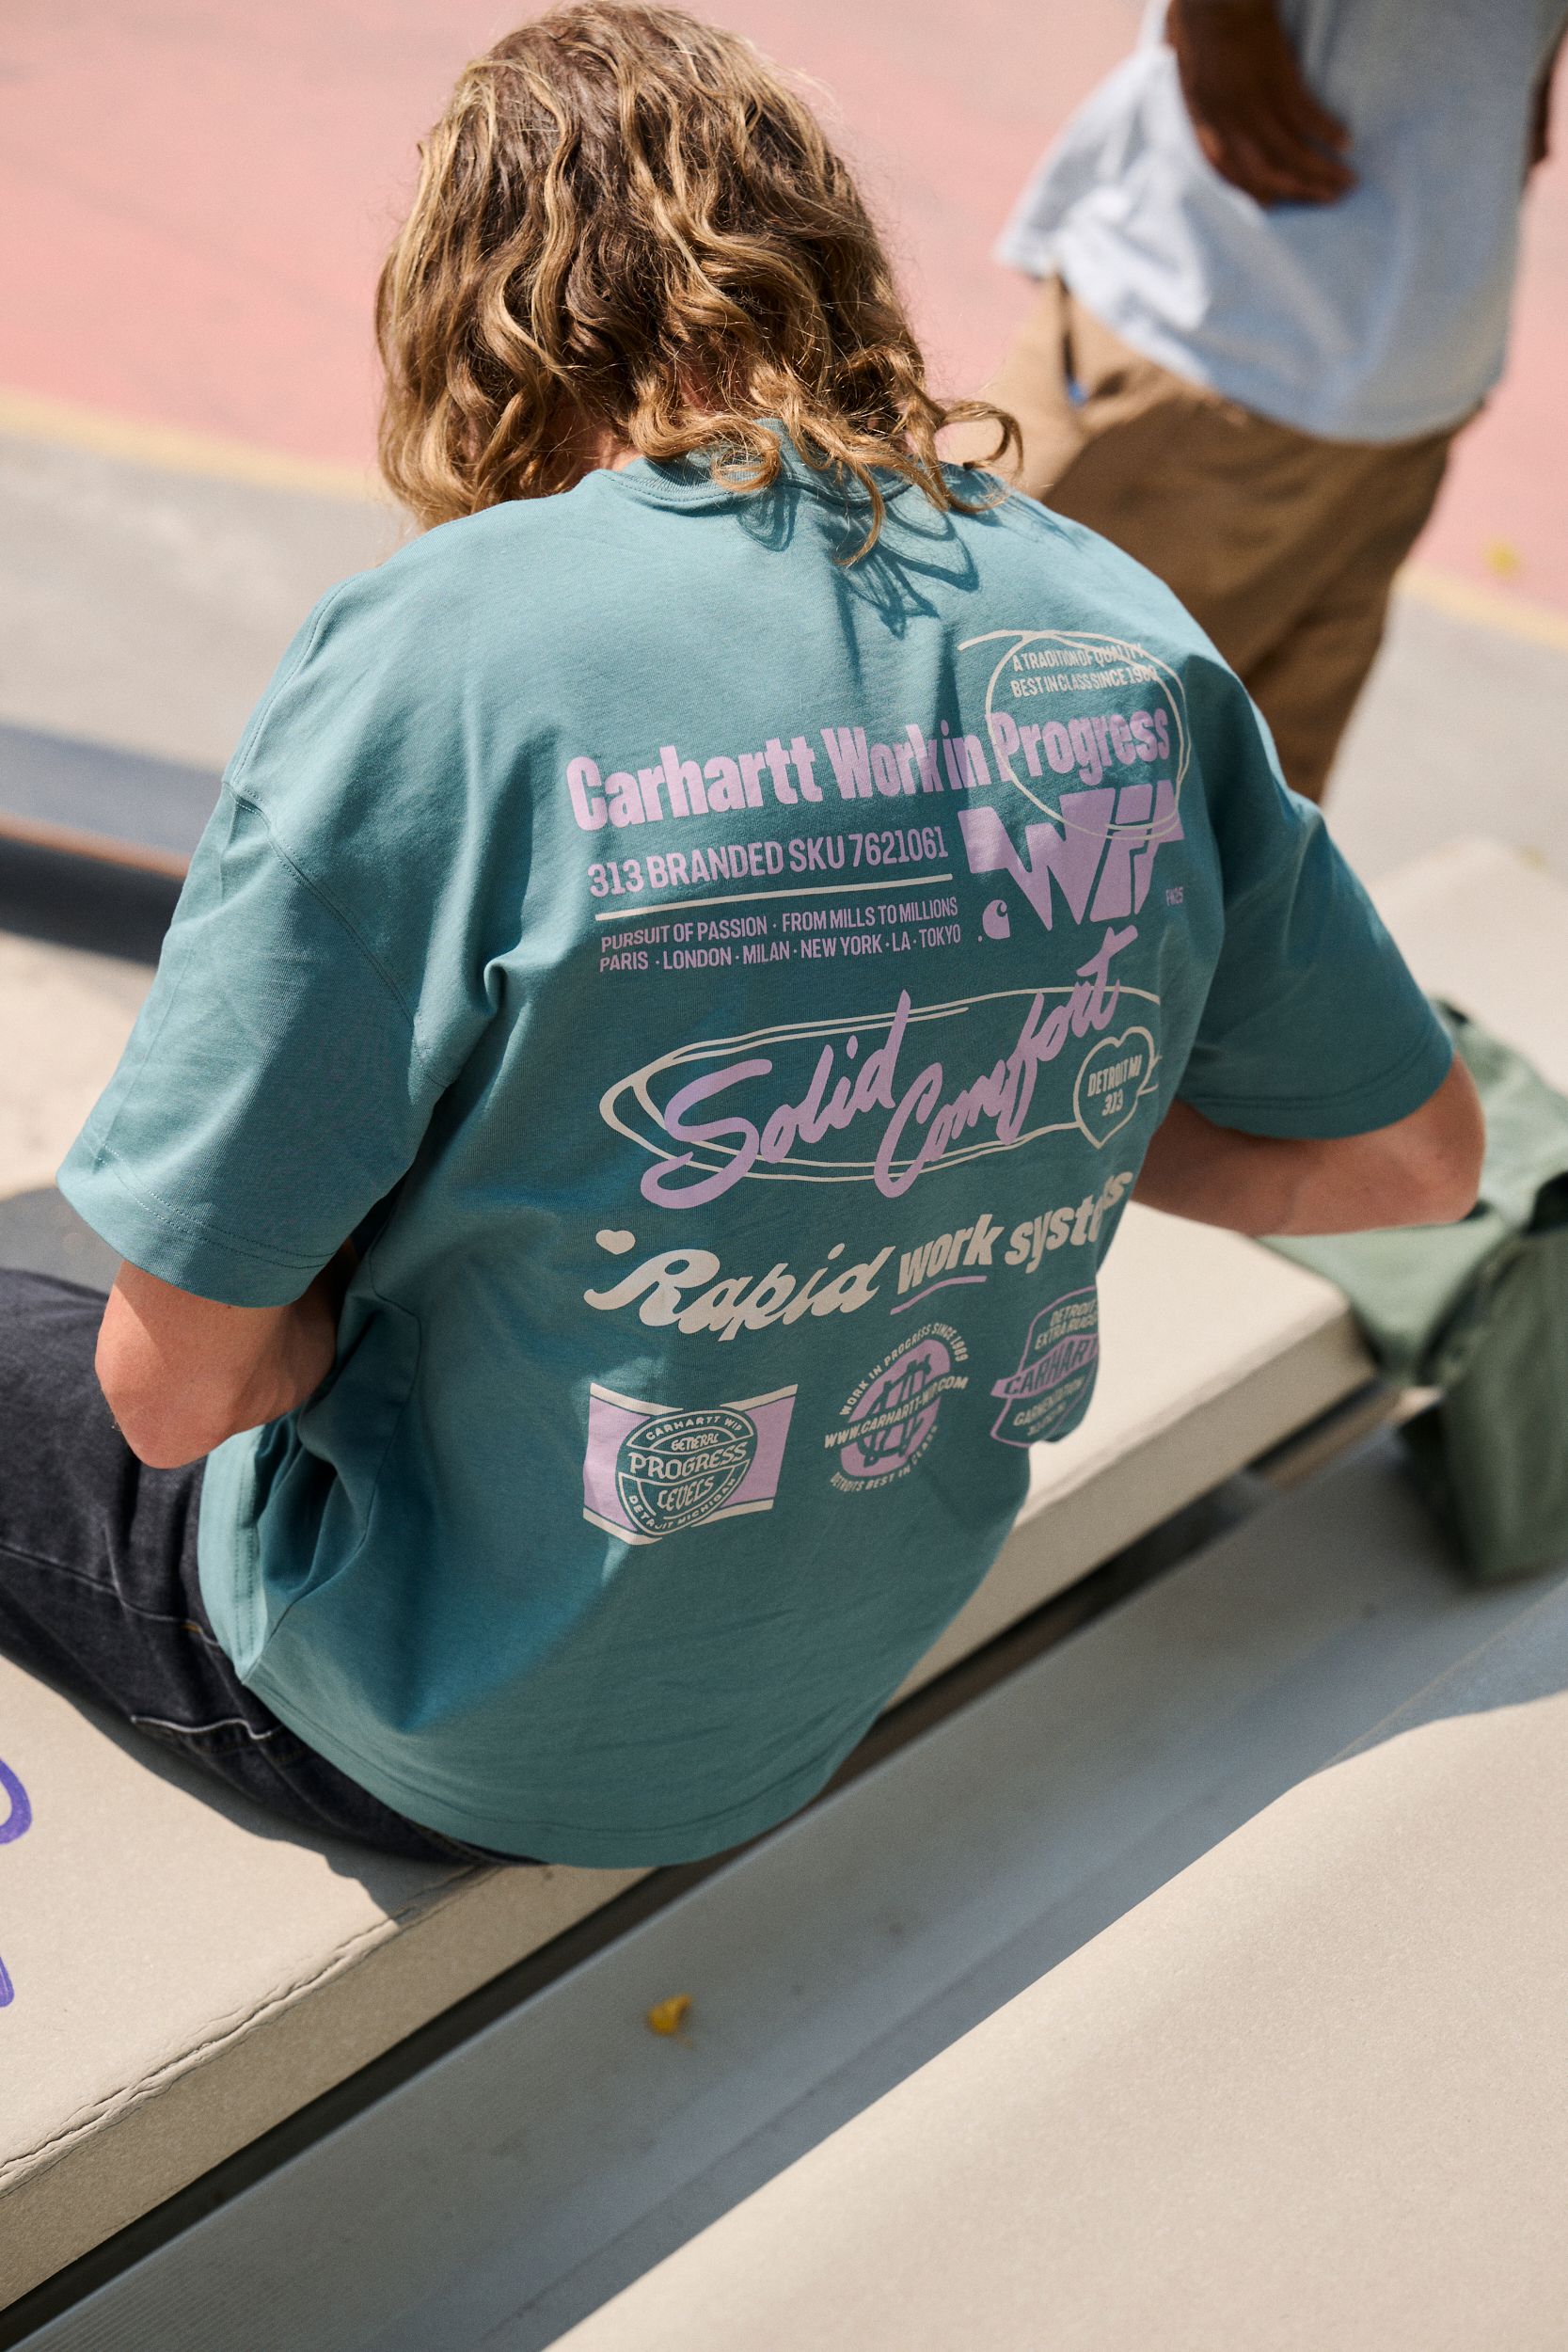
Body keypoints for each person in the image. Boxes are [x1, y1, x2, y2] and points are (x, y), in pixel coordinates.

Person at [2, 4, 1481, 1870]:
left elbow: (173, 1387)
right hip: (819, 1677)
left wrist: (349, 1321)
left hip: (424, 1714)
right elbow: (1414, 1158)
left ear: (473, 314)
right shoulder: (1111, 620)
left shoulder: (452, 648)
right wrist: (1000, 1140)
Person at [963, 0, 1568, 804]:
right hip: (1413, 327)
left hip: (1229, 318)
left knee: (952, 761)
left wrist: (1225, 23)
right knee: (1226, 840)